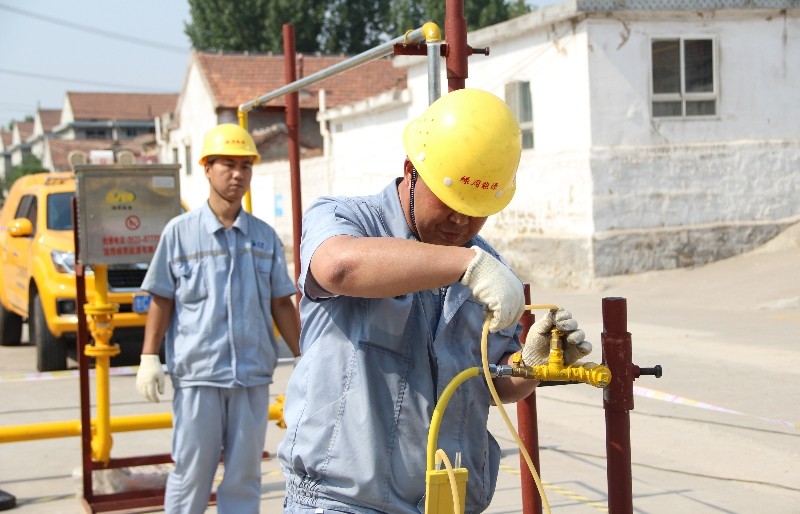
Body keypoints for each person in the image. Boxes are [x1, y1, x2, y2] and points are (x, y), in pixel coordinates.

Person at [278, 88, 591, 513]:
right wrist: (466, 265)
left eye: (477, 208)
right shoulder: (346, 220)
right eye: (450, 200)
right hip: (341, 502)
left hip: (446, 503)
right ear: (411, 170)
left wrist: (532, 364)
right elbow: (338, 268)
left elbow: (496, 383)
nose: (461, 219)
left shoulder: (484, 266)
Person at [135, 123, 301, 514]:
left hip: (251, 377)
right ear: (207, 169)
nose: (237, 174)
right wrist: (148, 356)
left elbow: (280, 302)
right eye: (228, 164)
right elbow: (162, 298)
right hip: (199, 376)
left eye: (245, 166)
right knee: (192, 473)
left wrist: (302, 356)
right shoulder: (179, 233)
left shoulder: (263, 237)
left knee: (244, 475)